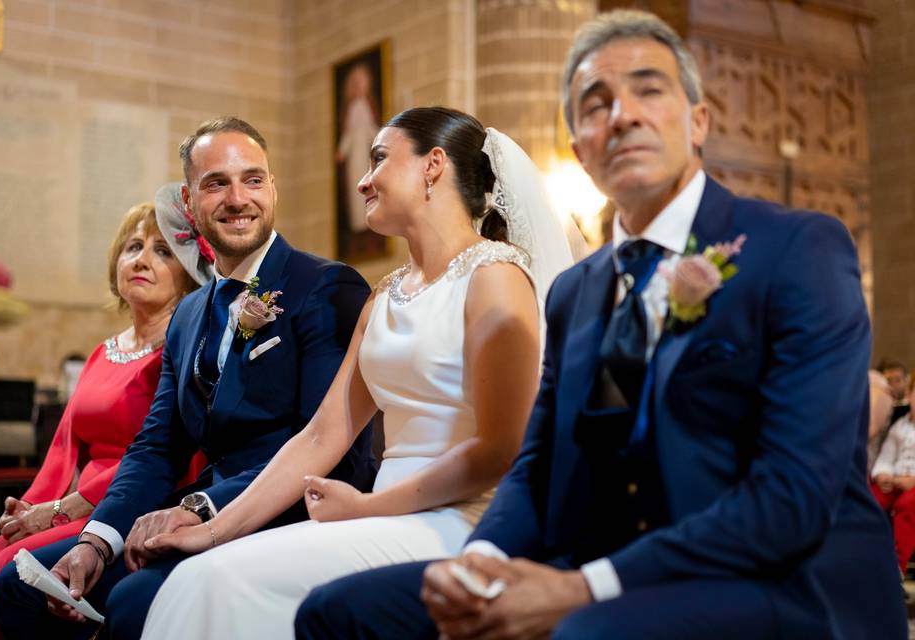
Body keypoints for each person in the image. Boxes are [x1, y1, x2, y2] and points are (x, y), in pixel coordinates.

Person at [294, 10, 907, 640]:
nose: (623, 114)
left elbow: (793, 495)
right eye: (596, 103)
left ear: (698, 121)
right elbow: (535, 465)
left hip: (782, 582)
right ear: (581, 149)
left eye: (650, 90)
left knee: (582, 634)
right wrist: (481, 563)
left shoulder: (795, 250)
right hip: (602, 564)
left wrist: (585, 587)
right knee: (337, 611)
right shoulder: (574, 293)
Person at [139, 107, 575, 638]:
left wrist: (368, 507)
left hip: (457, 519)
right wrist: (213, 532)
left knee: (223, 585)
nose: (363, 181)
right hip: (381, 516)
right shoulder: (386, 295)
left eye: (379, 159)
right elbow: (322, 433)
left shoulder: (496, 278)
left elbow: (498, 449)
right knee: (200, 573)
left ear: (433, 166)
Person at [0, 117, 377, 640]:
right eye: (217, 183)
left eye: (254, 180)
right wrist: (95, 541)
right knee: (18, 586)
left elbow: (327, 446)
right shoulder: (189, 314)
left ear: (274, 189)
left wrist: (199, 510)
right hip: (195, 507)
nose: (239, 198)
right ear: (190, 206)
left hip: (287, 510)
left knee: (132, 600)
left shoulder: (324, 286)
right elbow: (157, 446)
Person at [0, 196, 207, 640]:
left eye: (162, 250)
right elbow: (65, 446)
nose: (142, 259)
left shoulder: (182, 346)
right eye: (133, 247)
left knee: (7, 571)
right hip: (65, 506)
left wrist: (59, 511)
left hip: (127, 503)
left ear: (187, 272)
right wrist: (29, 507)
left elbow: (165, 454)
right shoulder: (102, 351)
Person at [871, 382, 915, 574]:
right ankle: (865, 557)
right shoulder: (900, 426)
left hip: (913, 485)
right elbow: (887, 456)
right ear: (909, 395)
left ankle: (897, 567)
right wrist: (882, 473)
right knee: (872, 499)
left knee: (906, 505)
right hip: (895, 479)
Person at [336, 63, 380, 233]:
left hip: (364, 150)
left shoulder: (364, 106)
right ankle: (357, 222)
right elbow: (348, 133)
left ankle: (364, 220)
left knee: (364, 178)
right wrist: (342, 150)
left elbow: (370, 128)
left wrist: (380, 140)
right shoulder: (354, 107)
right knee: (356, 183)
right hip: (355, 150)